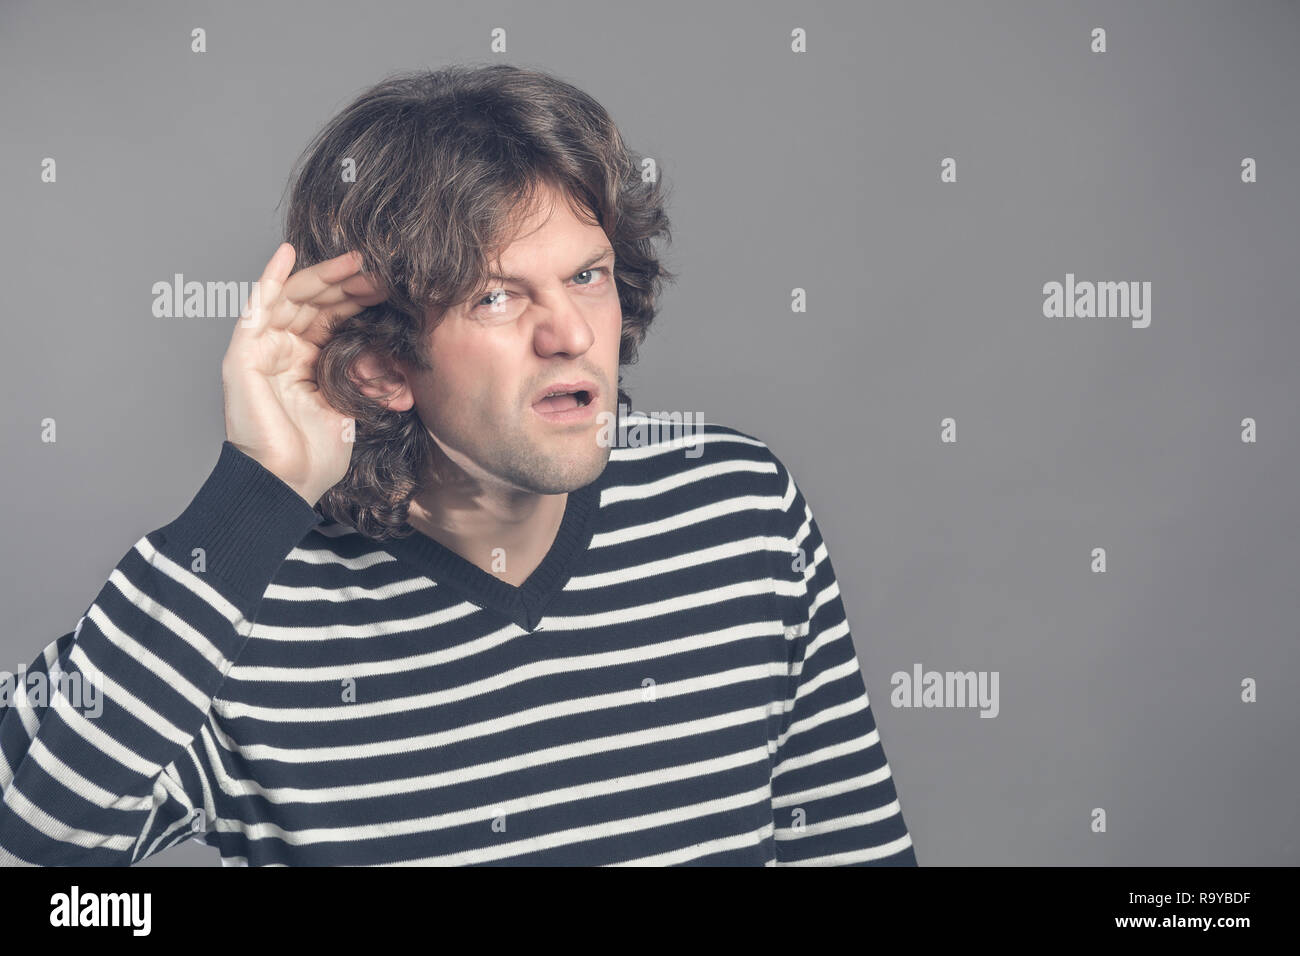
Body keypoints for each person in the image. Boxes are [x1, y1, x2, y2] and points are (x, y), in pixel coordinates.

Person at [0, 64, 917, 866]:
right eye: (495, 295)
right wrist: (256, 490)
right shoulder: (239, 625)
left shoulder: (739, 512)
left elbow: (850, 848)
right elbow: (30, 838)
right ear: (384, 365)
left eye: (587, 276)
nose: (569, 335)